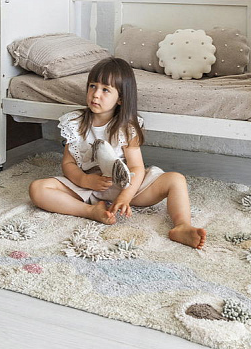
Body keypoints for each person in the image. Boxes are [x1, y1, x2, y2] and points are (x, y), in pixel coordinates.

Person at [29, 57, 207, 249]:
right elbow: (68, 163)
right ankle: (90, 211)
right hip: (89, 188)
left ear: (120, 98)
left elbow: (136, 167)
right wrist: (84, 180)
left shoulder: (126, 126)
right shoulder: (75, 122)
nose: (96, 94)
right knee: (38, 189)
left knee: (176, 180)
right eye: (92, 86)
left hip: (126, 186)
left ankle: (182, 226)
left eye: (105, 90)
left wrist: (125, 197)